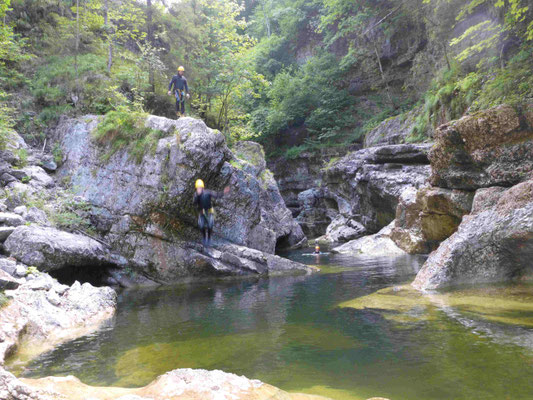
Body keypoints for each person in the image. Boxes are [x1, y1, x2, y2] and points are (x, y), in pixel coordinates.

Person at [193, 179, 230, 247]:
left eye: (200, 188)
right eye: (197, 188)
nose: (199, 189)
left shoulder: (208, 192)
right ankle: (204, 237)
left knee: (210, 225)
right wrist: (199, 210)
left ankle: (209, 238)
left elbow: (217, 195)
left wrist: (224, 192)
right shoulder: (195, 195)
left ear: (202, 188)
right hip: (202, 212)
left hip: (209, 211)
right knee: (201, 226)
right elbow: (194, 204)